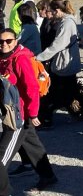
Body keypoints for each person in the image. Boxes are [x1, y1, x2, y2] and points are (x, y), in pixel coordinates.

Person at [0, 28, 58, 193]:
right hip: (10, 111)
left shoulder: (21, 59)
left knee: (1, 159)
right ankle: (48, 175)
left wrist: (33, 113)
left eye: (8, 41)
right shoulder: (4, 58)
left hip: (19, 116)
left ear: (16, 41)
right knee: (32, 144)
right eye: (0, 41)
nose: (4, 44)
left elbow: (31, 88)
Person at [36, 0, 83, 128]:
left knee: (55, 92)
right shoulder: (66, 22)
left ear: (57, 10)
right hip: (66, 63)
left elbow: (57, 45)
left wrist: (38, 58)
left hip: (65, 64)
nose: (51, 15)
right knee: (71, 92)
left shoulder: (66, 23)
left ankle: (46, 119)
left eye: (52, 12)